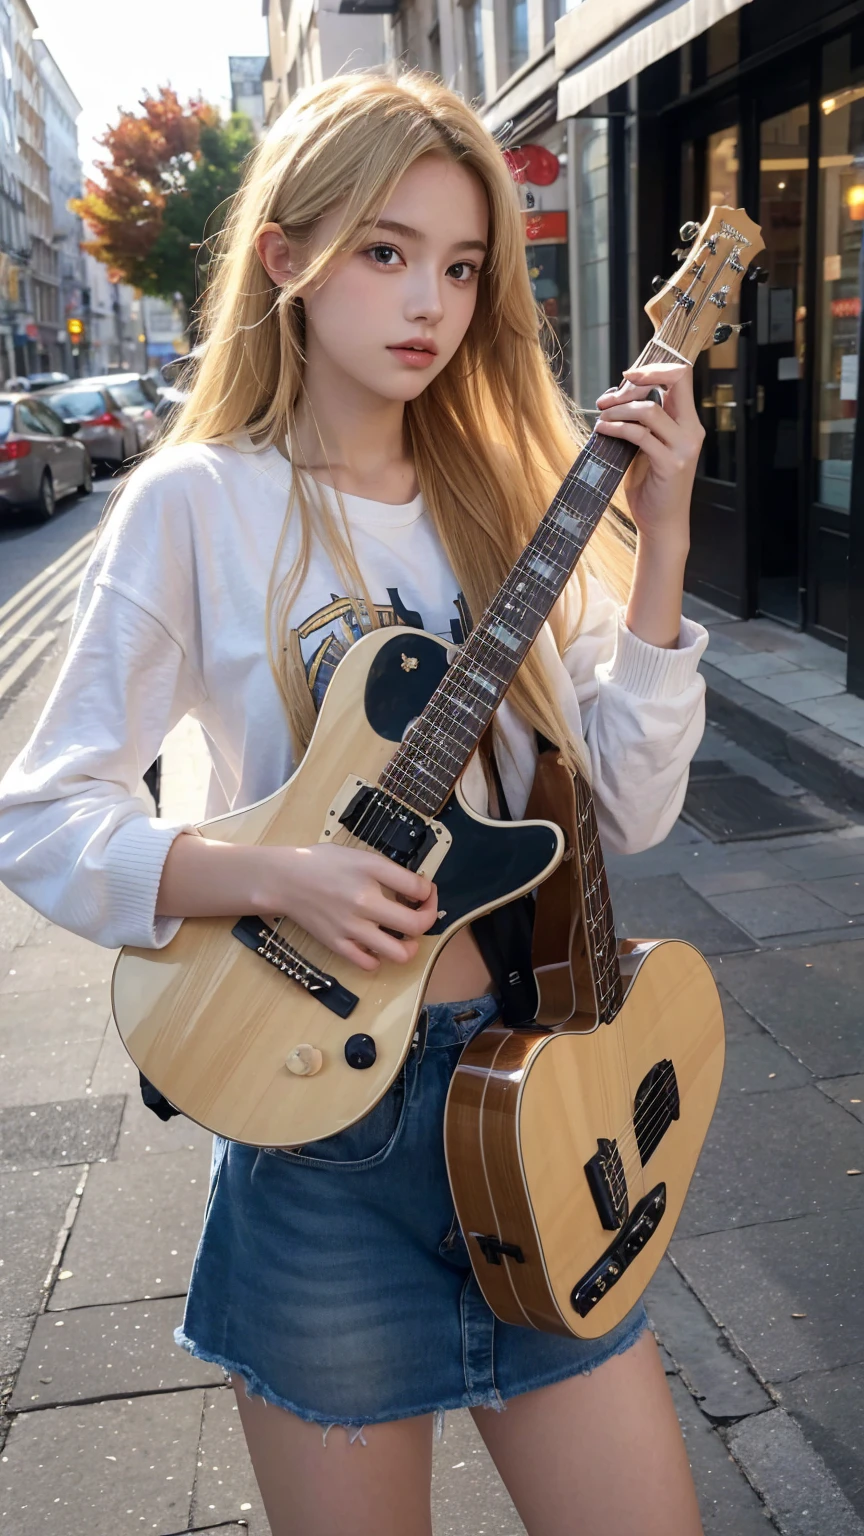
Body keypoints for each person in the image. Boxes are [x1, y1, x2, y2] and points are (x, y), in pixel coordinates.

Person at [0, 71, 710, 1536]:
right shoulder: (199, 502)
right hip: (318, 1135)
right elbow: (42, 814)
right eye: (386, 252)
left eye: (460, 266)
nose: (428, 303)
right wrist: (272, 879)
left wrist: (666, 536)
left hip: (538, 1096)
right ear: (286, 259)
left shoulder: (514, 497)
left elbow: (628, 818)